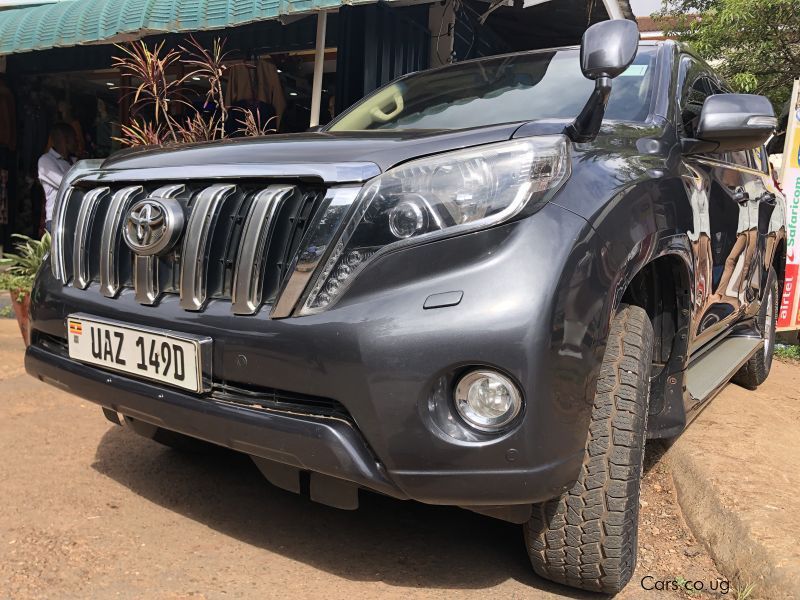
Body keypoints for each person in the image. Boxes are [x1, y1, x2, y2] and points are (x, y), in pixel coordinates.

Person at [38, 123, 77, 233]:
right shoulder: (46, 160)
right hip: (57, 219)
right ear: (64, 140)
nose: (77, 142)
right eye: (75, 138)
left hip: (76, 218)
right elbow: (66, 184)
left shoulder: (74, 160)